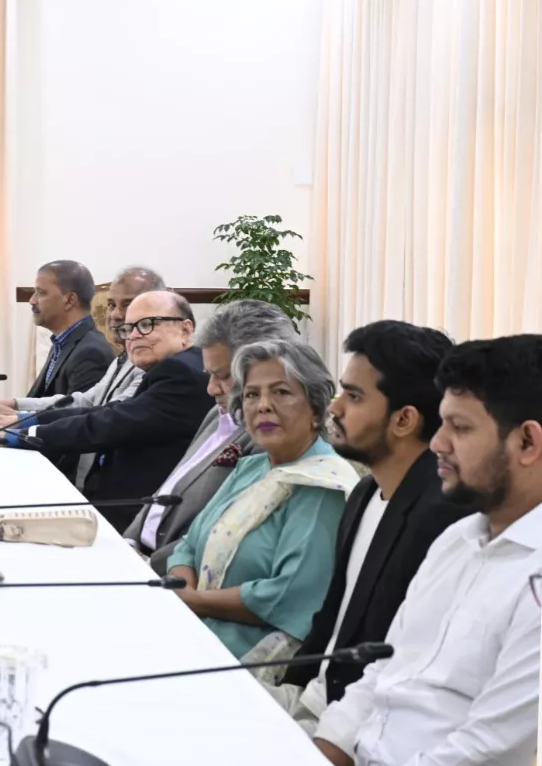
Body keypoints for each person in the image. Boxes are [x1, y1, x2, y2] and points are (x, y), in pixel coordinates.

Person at [314, 335, 542, 766]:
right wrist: (317, 752)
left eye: (460, 428)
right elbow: (382, 672)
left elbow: (487, 747)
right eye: (442, 424)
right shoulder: (456, 540)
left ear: (527, 442)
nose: (437, 443)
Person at [265, 321, 469, 728]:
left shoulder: (441, 517)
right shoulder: (365, 491)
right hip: (311, 699)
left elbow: (404, 659)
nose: (335, 408)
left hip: (358, 724)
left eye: (354, 396)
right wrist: (289, 692)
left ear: (404, 419)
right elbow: (332, 617)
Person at [166, 339, 356, 669]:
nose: (263, 406)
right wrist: (184, 594)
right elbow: (188, 545)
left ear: (316, 409)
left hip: (244, 660)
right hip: (188, 631)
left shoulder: (322, 485)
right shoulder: (251, 468)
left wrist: (194, 601)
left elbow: (290, 594)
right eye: (252, 394)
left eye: (281, 392)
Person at [0, 291, 216, 528]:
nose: (134, 336)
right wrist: (25, 420)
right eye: (128, 329)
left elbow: (110, 423)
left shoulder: (181, 372)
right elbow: (107, 410)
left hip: (135, 518)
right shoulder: (173, 366)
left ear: (185, 329)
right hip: (118, 504)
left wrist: (21, 434)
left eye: (146, 325)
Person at [122, 299, 297, 573]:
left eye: (223, 377)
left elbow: (219, 535)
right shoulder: (217, 414)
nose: (211, 389)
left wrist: (147, 566)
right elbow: (169, 488)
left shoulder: (271, 438)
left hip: (175, 575)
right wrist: (129, 541)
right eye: (210, 375)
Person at [0, 266, 167, 486]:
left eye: (128, 304)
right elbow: (84, 400)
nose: (116, 315)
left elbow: (105, 417)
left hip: (104, 483)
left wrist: (19, 427)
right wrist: (16, 407)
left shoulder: (152, 364)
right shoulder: (125, 357)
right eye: (111, 305)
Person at [22, 260, 112, 399]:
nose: (32, 300)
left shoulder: (90, 352)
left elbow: (76, 411)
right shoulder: (62, 342)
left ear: (70, 300)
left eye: (41, 293)